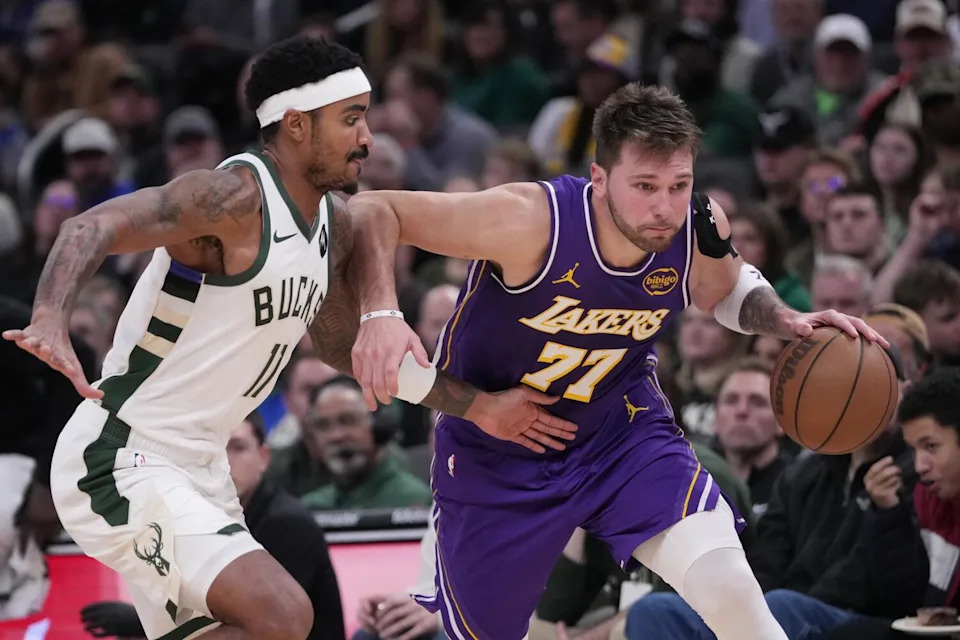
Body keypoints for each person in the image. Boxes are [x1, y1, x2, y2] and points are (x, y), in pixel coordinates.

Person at [2, 36, 573, 640]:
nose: (368, 137)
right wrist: (50, 316)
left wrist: (480, 407)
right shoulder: (230, 200)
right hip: (120, 456)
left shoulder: (331, 222)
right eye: (351, 119)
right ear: (297, 125)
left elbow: (340, 346)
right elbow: (92, 222)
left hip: (202, 466)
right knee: (285, 614)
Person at [346, 83, 887, 640]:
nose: (665, 207)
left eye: (680, 185)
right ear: (599, 180)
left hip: (618, 432)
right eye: (645, 186)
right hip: (496, 449)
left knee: (730, 588)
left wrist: (787, 320)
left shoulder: (696, 224)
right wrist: (379, 314)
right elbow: (372, 208)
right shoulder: (530, 220)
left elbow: (722, 290)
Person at [80, 412, 347, 640]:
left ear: (264, 458)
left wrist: (138, 622)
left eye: (238, 447)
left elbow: (261, 622)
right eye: (210, 450)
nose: (223, 461)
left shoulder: (287, 523)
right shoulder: (195, 517)